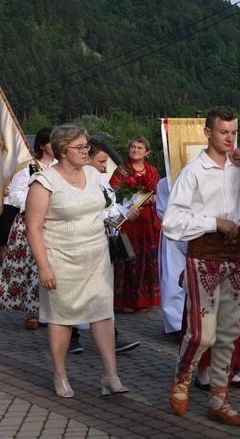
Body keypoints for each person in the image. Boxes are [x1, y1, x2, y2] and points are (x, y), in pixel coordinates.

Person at [162, 106, 240, 425]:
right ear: (207, 133)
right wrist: (213, 222)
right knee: (202, 333)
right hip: (204, 255)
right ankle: (182, 378)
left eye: (233, 132)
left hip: (236, 257)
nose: (230, 139)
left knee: (230, 331)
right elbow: (172, 222)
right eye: (223, 132)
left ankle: (219, 398)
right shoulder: (194, 171)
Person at [25, 125, 127, 398]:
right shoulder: (44, 182)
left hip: (96, 257)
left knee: (103, 313)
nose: (86, 152)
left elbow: (102, 210)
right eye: (80, 147)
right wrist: (44, 267)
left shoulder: (93, 174)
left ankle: (110, 376)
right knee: (61, 318)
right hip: (60, 258)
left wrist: (122, 216)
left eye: (87, 147)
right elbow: (33, 228)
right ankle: (60, 374)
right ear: (61, 150)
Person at [69, 139, 140, 355]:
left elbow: (111, 204)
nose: (104, 166)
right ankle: (71, 335)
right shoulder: (75, 181)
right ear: (87, 158)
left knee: (102, 290)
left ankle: (111, 336)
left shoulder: (102, 180)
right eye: (100, 161)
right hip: (83, 241)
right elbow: (85, 209)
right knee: (78, 290)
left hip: (104, 240)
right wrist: (114, 213)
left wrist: (126, 211)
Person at [0, 128, 57, 329]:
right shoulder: (32, 168)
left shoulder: (61, 167)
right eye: (52, 142)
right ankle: (33, 312)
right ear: (42, 145)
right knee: (33, 267)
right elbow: (15, 196)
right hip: (31, 222)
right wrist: (40, 202)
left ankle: (54, 312)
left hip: (56, 224)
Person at [110, 136, 161, 312]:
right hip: (128, 220)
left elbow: (160, 193)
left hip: (147, 221)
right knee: (128, 259)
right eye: (132, 147)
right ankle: (126, 302)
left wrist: (152, 198)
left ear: (146, 152)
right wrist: (133, 200)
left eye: (139, 147)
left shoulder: (152, 171)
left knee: (146, 259)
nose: (135, 150)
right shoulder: (120, 171)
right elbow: (113, 195)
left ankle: (143, 300)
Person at [156, 176, 186, 338]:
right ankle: (176, 323)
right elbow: (162, 211)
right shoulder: (165, 183)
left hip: (201, 231)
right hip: (174, 233)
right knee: (173, 277)